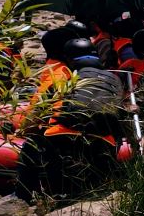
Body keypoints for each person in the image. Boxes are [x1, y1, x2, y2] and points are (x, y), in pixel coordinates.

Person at [17, 38, 127, 200]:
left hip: (62, 139)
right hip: (104, 145)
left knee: (29, 146)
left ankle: (22, 197)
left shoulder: (67, 76)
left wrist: (22, 131)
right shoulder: (115, 80)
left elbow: (33, 116)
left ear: (69, 59)